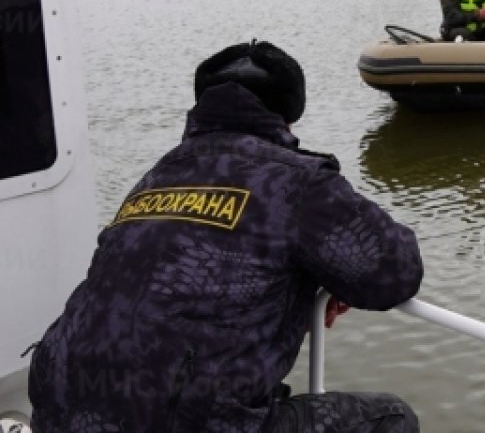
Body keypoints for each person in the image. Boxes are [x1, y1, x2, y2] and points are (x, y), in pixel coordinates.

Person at [29, 41, 424, 432]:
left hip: (59, 407)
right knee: (391, 417)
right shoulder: (297, 180)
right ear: (288, 116)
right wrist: (333, 275)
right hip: (182, 420)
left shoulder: (158, 175)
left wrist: (312, 277)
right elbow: (395, 273)